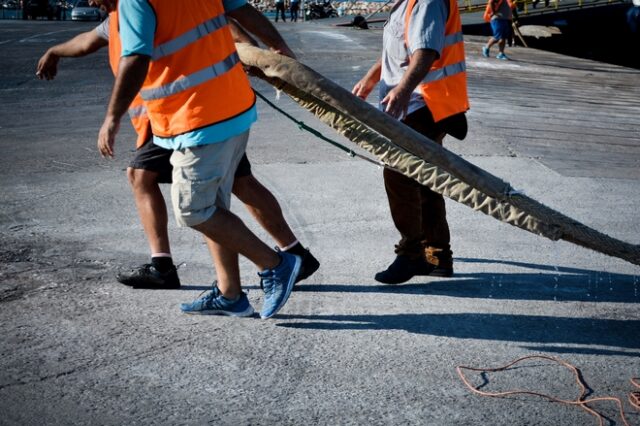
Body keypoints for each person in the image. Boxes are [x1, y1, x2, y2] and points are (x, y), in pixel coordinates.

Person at [36, 16, 319, 292]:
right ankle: (291, 257)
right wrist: (54, 51)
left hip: (179, 115)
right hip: (203, 110)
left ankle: (168, 268)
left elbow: (221, 18)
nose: (89, 3)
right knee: (238, 181)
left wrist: (248, 50)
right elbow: (87, 40)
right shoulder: (116, 18)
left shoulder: (139, 8)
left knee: (147, 179)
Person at [352, 0, 469, 284]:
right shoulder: (406, 3)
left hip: (421, 105)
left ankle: (412, 253)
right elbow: (401, 51)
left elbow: (425, 52)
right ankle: (437, 255)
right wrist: (371, 79)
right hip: (424, 104)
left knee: (399, 177)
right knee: (426, 181)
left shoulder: (425, 2)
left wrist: (402, 90)